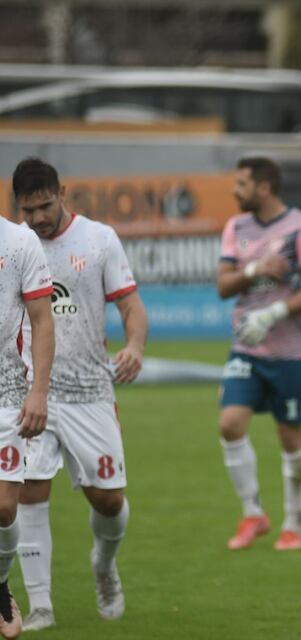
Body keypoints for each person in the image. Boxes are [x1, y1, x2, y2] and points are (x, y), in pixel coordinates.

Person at [13, 158, 147, 631]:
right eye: (27, 211)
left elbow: (130, 304)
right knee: (29, 492)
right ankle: (40, 604)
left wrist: (134, 345)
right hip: (31, 393)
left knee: (108, 501)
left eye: (45, 206)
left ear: (62, 192)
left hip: (90, 391)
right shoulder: (13, 246)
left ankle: (104, 565)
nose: (37, 219)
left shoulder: (98, 240)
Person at [216, 157, 301, 551]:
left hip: (291, 352)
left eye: (242, 183)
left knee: (290, 438)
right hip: (246, 348)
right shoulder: (237, 227)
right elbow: (223, 285)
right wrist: (253, 271)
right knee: (230, 423)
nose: (236, 190)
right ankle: (253, 513)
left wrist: (275, 312)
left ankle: (293, 522)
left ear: (264, 187)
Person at [0, 202, 55, 639]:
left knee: (3, 507)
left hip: (7, 394)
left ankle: (0, 583)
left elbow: (41, 319)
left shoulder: (19, 242)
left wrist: (38, 391)